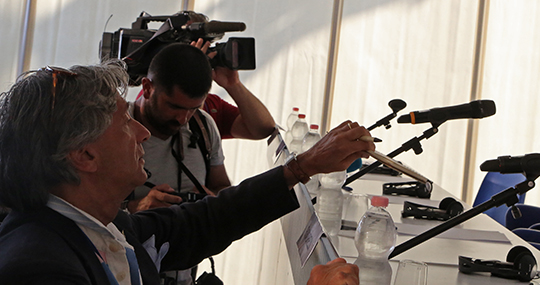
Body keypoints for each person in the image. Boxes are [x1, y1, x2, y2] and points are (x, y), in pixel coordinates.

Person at [0, 61, 370, 284]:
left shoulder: (102, 224)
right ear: (85, 155)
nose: (142, 133)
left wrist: (302, 167)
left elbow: (204, 221)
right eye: (125, 124)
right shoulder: (38, 268)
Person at [128, 43, 232, 284]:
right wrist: (138, 208)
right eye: (173, 106)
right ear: (146, 87)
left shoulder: (203, 126)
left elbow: (223, 188)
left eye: (193, 108)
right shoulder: (115, 131)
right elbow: (81, 212)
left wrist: (210, 201)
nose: (182, 119)